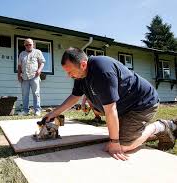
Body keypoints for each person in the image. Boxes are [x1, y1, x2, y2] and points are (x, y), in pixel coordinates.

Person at [45, 47, 177, 161]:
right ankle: (138, 133)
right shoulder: (80, 75)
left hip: (142, 103)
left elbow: (110, 110)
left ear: (83, 64)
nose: (69, 76)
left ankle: (162, 126)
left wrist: (115, 142)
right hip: (125, 106)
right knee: (118, 137)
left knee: (123, 146)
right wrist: (54, 113)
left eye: (70, 72)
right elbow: (74, 97)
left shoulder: (102, 70)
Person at [17, 38, 45, 116]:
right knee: (25, 94)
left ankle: (37, 110)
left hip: (34, 76)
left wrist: (39, 70)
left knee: (36, 93)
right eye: (26, 45)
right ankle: (26, 111)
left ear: (33, 44)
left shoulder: (38, 52)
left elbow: (42, 62)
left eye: (30, 44)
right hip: (24, 77)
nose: (28, 46)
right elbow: (19, 66)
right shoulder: (22, 54)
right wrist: (19, 75)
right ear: (24, 45)